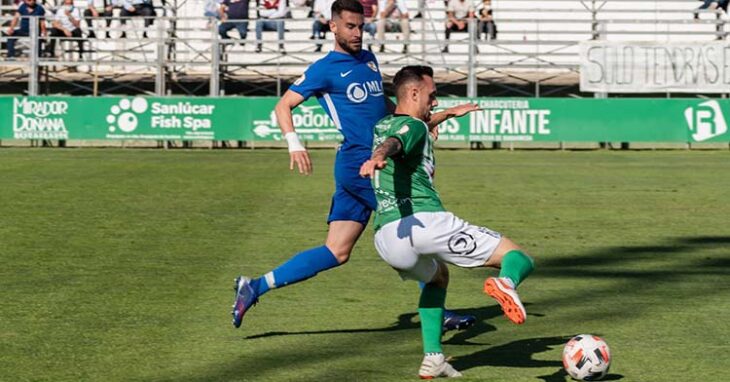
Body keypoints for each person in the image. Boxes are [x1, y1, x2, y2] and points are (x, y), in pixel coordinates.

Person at [231, 0, 480, 333]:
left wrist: (426, 118)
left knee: (336, 250)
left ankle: (255, 286)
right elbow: (283, 106)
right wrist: (294, 143)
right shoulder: (324, 68)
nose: (358, 33)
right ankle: (439, 309)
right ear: (333, 26)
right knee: (412, 223)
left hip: (368, 164)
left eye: (361, 26)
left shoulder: (369, 60)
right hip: (363, 165)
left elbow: (386, 108)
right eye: (350, 26)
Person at [359, 65, 535, 379]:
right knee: (516, 257)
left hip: (387, 238)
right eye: (432, 96)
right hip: (425, 224)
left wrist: (450, 113)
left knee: (438, 278)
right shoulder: (410, 128)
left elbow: (405, 132)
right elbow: (399, 140)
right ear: (413, 93)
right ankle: (506, 284)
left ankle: (433, 358)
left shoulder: (385, 123)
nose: (435, 102)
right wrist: (380, 155)